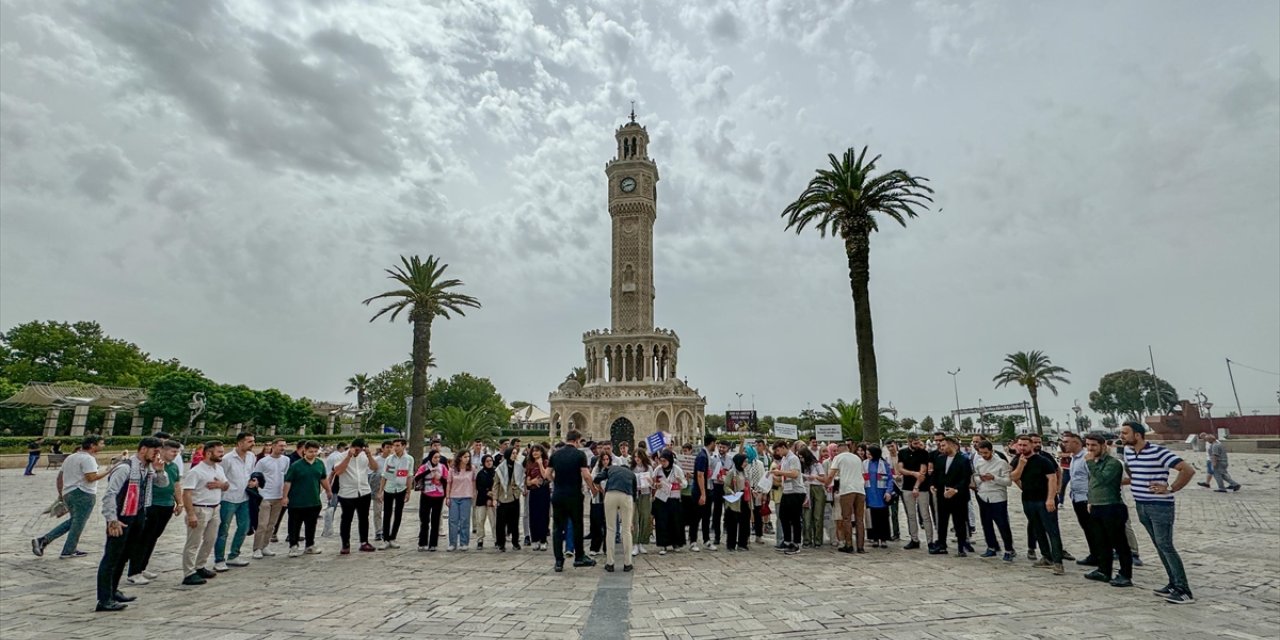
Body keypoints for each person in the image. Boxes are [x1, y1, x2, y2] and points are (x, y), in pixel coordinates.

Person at [1119, 421, 1196, 604]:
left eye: (1125, 433)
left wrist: (1171, 488)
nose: (1121, 436)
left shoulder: (1159, 452)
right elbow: (1133, 472)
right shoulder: (1129, 452)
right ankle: (1172, 583)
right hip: (1141, 505)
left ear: (1137, 435)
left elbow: (1188, 470)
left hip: (1159, 506)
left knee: (1166, 545)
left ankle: (1183, 590)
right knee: (1158, 545)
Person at [96, 437, 169, 611]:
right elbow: (110, 494)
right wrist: (112, 519)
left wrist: (160, 471)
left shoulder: (147, 469)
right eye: (155, 451)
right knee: (111, 557)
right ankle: (104, 598)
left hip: (137, 515)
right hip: (122, 517)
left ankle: (113, 590)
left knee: (124, 555)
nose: (157, 455)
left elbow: (163, 483)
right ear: (143, 449)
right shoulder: (125, 468)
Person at [32, 436, 110, 559]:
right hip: (83, 493)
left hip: (69, 492)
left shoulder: (71, 457)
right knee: (78, 523)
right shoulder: (88, 459)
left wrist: (61, 494)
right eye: (101, 443)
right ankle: (68, 550)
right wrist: (108, 471)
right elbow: (91, 478)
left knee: (74, 521)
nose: (103, 445)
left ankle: (44, 540)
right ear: (92, 445)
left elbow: (60, 477)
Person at [125, 439, 183, 584]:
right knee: (144, 538)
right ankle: (134, 571)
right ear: (162, 451)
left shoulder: (174, 467)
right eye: (172, 451)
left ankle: (142, 567)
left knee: (153, 538)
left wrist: (179, 502)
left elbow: (175, 485)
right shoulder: (150, 465)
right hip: (152, 505)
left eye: (177, 452)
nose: (175, 454)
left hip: (167, 505)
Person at [1082, 433, 1133, 587]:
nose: (1090, 449)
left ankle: (1125, 574)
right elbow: (1093, 484)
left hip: (1112, 507)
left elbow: (1103, 480)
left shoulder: (1114, 463)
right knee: (1101, 541)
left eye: (1094, 445)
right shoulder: (1094, 462)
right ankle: (1104, 570)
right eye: (1088, 445)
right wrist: (1090, 501)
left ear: (1103, 446)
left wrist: (1090, 463)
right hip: (1097, 506)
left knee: (1119, 543)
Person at [1010, 435, 1065, 575]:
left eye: (1025, 445)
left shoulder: (1043, 461)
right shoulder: (1018, 460)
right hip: (1028, 500)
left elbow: (1052, 479)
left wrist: (1051, 498)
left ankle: (1058, 561)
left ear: (1031, 446)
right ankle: (1046, 556)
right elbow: (1013, 477)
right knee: (1037, 528)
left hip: (1044, 499)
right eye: (1020, 445)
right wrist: (1021, 465)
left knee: (1052, 530)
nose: (1022, 448)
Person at [548, 429, 598, 571]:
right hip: (574, 494)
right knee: (577, 525)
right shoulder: (579, 454)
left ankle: (558, 561)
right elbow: (586, 475)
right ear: (576, 441)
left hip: (558, 494)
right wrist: (593, 489)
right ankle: (579, 557)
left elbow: (547, 473)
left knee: (557, 528)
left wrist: (556, 483)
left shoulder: (555, 454)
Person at [180, 441, 228, 585]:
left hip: (215, 508)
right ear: (208, 453)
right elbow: (187, 493)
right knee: (193, 542)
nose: (222, 454)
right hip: (200, 508)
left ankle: (200, 566)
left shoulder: (218, 469)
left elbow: (226, 485)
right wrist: (191, 514)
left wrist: (221, 485)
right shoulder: (196, 471)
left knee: (210, 540)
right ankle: (188, 572)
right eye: (219, 452)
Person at [213, 432, 257, 571]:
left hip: (245, 497)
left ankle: (234, 554)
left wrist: (253, 481)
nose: (253, 444)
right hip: (228, 498)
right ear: (239, 443)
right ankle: (219, 559)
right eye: (249, 441)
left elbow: (251, 472)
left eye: (253, 441)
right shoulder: (227, 459)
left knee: (244, 527)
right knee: (223, 529)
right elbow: (220, 477)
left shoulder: (251, 457)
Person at [1060, 433, 1103, 567]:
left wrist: (1091, 499)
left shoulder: (1086, 458)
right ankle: (1094, 554)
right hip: (1076, 498)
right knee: (1086, 528)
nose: (1064, 444)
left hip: (1086, 499)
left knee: (1093, 529)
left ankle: (1099, 556)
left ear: (1077, 443)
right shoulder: (1074, 458)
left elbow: (1093, 478)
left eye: (1067, 442)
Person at [282, 440, 330, 558]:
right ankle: (293, 546)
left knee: (311, 524)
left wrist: (328, 490)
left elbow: (323, 478)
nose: (313, 454)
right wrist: (285, 497)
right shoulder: (296, 465)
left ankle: (310, 545)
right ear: (304, 451)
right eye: (310, 451)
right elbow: (288, 482)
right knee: (294, 525)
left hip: (313, 500)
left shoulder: (319, 464)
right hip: (297, 501)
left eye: (315, 451)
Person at [332, 437, 379, 554]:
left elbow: (374, 467)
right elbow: (338, 471)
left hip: (363, 491)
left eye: (360, 450)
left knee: (364, 518)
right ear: (352, 447)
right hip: (347, 493)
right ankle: (345, 544)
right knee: (346, 519)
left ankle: (364, 542)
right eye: (356, 450)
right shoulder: (340, 456)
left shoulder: (364, 456)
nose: (358, 452)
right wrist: (348, 456)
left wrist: (369, 455)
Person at [929, 436, 973, 557]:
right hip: (942, 495)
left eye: (943, 445)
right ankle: (942, 545)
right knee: (942, 521)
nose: (941, 448)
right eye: (940, 446)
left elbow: (966, 478)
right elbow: (936, 473)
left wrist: (956, 489)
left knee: (959, 522)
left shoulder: (963, 460)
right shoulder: (940, 459)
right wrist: (933, 484)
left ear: (953, 445)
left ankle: (961, 547)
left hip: (958, 496)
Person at [972, 440, 1015, 561]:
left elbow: (1008, 481)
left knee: (1002, 524)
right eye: (981, 453)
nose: (984, 455)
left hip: (998, 496)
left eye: (986, 453)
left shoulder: (1001, 463)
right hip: (983, 494)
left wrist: (994, 477)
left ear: (991, 451)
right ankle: (991, 547)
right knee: (986, 523)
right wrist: (979, 479)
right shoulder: (979, 462)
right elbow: (975, 476)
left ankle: (1009, 549)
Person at [594, 451, 637, 572]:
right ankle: (628, 563)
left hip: (611, 494)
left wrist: (600, 489)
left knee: (611, 529)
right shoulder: (631, 474)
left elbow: (597, 478)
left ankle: (610, 563)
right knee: (627, 530)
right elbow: (634, 497)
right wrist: (632, 520)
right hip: (626, 496)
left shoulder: (611, 469)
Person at [249, 438, 289, 559]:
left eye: (284, 446)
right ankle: (257, 548)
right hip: (265, 495)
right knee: (262, 524)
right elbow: (256, 476)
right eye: (280, 445)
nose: (282, 448)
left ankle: (265, 545)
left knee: (272, 524)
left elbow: (286, 476)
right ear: (273, 446)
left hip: (279, 495)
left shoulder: (286, 460)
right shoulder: (263, 462)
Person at [823, 442, 864, 554]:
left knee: (846, 518)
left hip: (847, 489)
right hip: (860, 489)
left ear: (840, 450)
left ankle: (849, 544)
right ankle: (860, 546)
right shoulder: (857, 458)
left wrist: (826, 484)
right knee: (859, 519)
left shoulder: (838, 457)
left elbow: (831, 475)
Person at [896, 436, 934, 550]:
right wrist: (913, 473)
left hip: (922, 487)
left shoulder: (923, 453)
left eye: (918, 443)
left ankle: (930, 541)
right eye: (915, 443)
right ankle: (914, 539)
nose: (918, 445)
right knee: (911, 515)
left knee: (925, 515)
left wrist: (916, 486)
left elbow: (922, 472)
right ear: (909, 442)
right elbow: (900, 469)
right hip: (907, 486)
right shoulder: (902, 453)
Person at [378, 438, 413, 549]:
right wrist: (381, 491)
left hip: (401, 489)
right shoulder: (389, 459)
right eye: (394, 446)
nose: (395, 448)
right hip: (389, 489)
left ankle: (393, 537)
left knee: (398, 514)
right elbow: (384, 475)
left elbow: (409, 476)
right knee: (387, 514)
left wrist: (408, 491)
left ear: (404, 446)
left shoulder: (409, 459)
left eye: (398, 445)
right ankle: (386, 538)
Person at [771, 440, 804, 554]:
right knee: (783, 516)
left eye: (778, 450)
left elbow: (795, 474)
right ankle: (787, 541)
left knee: (795, 519)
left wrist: (780, 473)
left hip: (796, 492)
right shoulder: (784, 459)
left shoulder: (793, 458)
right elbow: (783, 474)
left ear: (784, 447)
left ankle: (796, 543)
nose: (778, 453)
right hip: (787, 491)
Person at [651, 449, 686, 555]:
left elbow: (685, 484)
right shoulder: (658, 469)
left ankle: (676, 544)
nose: (663, 463)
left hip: (674, 498)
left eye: (664, 461)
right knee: (662, 522)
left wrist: (680, 482)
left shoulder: (677, 470)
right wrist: (656, 485)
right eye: (661, 461)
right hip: (661, 499)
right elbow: (653, 482)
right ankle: (663, 544)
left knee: (675, 521)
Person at [415, 450, 448, 551]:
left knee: (435, 520)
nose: (437, 459)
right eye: (435, 457)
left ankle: (433, 543)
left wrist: (440, 477)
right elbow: (417, 477)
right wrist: (429, 471)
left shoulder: (442, 467)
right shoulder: (424, 466)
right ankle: (422, 542)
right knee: (424, 520)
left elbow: (447, 481)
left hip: (438, 496)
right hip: (426, 494)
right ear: (430, 458)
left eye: (438, 457)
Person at [493, 446, 524, 551]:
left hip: (514, 497)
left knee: (515, 522)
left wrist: (518, 491)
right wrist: (495, 498)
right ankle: (501, 543)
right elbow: (496, 485)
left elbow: (522, 481)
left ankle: (515, 542)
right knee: (501, 523)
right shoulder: (500, 468)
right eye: (513, 453)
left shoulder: (519, 467)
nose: (515, 455)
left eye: (516, 453)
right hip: (503, 498)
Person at [863, 445, 895, 548]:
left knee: (883, 517)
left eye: (869, 454)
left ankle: (884, 538)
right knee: (872, 518)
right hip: (869, 494)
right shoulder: (864, 464)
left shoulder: (884, 464)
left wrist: (888, 492)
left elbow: (890, 479)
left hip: (881, 494)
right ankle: (875, 538)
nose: (867, 455)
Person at [722, 452, 751, 551]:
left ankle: (742, 543)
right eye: (744, 462)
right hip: (734, 501)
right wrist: (731, 492)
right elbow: (726, 486)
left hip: (744, 499)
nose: (746, 464)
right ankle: (731, 544)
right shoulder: (731, 473)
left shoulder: (744, 472)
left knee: (745, 523)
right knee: (732, 524)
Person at [447, 451, 476, 551]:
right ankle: (452, 543)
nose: (467, 459)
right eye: (465, 457)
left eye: (468, 457)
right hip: (454, 496)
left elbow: (473, 482)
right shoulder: (452, 470)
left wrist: (473, 495)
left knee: (465, 521)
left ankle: (464, 542)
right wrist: (447, 497)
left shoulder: (472, 468)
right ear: (460, 458)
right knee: (453, 521)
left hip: (466, 496)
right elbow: (449, 483)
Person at [525, 445, 551, 551]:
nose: (535, 453)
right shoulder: (529, 464)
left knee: (544, 516)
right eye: (533, 451)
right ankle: (535, 539)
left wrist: (540, 464)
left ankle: (543, 540)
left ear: (541, 452)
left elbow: (546, 476)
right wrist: (532, 482)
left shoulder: (546, 462)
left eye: (537, 451)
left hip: (544, 491)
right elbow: (527, 481)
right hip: (534, 491)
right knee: (534, 515)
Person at [799, 447, 826, 548]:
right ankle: (807, 539)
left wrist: (814, 477)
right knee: (806, 516)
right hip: (806, 489)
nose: (801, 459)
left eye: (802, 457)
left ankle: (818, 540)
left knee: (818, 516)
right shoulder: (802, 466)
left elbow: (824, 479)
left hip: (817, 488)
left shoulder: (817, 464)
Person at [630, 449, 654, 556]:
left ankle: (642, 542)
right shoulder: (632, 469)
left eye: (638, 457)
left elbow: (654, 484)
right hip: (634, 495)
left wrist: (650, 482)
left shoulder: (648, 468)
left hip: (645, 494)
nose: (637, 459)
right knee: (634, 518)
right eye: (635, 457)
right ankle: (634, 543)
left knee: (645, 517)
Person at [321, 442, 347, 537]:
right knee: (333, 507)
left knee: (332, 508)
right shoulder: (340, 458)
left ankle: (327, 528)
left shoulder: (332, 456)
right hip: (337, 487)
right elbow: (333, 473)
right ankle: (329, 528)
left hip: (335, 486)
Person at [474, 454, 496, 550]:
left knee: (494, 521)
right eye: (487, 461)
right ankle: (480, 539)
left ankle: (496, 539)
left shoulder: (496, 473)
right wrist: (487, 495)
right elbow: (479, 487)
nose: (489, 463)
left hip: (493, 501)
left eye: (490, 460)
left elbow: (497, 486)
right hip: (481, 500)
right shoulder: (480, 474)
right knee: (480, 520)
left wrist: (491, 498)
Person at [370, 441, 391, 541]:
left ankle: (387, 530)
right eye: (387, 447)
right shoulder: (377, 460)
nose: (389, 449)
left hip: (389, 488)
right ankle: (378, 531)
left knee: (388, 510)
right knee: (377, 511)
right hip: (377, 487)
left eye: (391, 447)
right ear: (382, 449)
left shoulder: (393, 460)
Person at [885, 441, 903, 541]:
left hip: (904, 485)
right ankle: (896, 532)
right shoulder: (887, 459)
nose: (891, 449)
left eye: (892, 446)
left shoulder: (902, 456)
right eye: (888, 447)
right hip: (893, 485)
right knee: (893, 511)